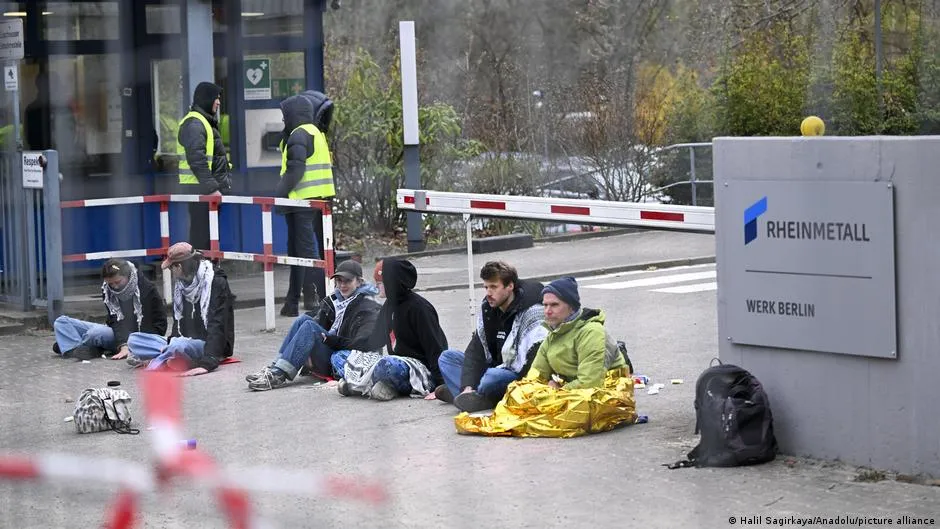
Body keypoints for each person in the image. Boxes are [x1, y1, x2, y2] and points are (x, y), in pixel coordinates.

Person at [454, 277, 637, 438]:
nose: (547, 311)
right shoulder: (552, 334)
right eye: (545, 305)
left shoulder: (591, 332)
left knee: (569, 411)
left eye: (554, 305)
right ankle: (480, 396)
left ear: (571, 306)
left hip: (603, 390)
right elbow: (535, 375)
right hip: (568, 390)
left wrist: (555, 389)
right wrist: (530, 391)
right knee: (519, 393)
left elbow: (590, 382)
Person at [245, 260, 381, 391]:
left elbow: (364, 344)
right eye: (339, 280)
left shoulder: (368, 307)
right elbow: (316, 323)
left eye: (348, 281)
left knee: (310, 326)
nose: (342, 285)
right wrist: (306, 347)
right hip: (334, 351)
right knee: (304, 319)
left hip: (348, 362)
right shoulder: (338, 300)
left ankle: (279, 375)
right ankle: (276, 367)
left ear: (359, 282)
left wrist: (331, 340)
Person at [435, 261, 547, 412]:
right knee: (447, 358)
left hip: (517, 373)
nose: (488, 293)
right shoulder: (488, 309)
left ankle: (475, 396)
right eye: (486, 287)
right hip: (493, 366)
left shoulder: (531, 312)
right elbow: (475, 351)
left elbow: (534, 361)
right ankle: (470, 394)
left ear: (510, 286)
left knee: (492, 377)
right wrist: (467, 386)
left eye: (494, 287)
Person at [332, 258, 448, 401]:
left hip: (417, 368)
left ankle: (360, 385)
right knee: (339, 357)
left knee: (387, 365)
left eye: (379, 283)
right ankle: (380, 385)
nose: (376, 286)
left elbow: (435, 348)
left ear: (391, 282)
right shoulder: (388, 306)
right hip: (395, 361)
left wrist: (440, 386)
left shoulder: (419, 308)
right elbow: (372, 342)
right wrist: (336, 342)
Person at [125, 242, 235, 377]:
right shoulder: (182, 284)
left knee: (178, 345)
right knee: (134, 340)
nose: (171, 272)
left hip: (209, 345)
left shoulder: (216, 282)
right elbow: (178, 322)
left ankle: (169, 356)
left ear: (179, 266)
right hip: (185, 341)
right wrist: (173, 341)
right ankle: (172, 355)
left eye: (172, 268)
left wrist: (208, 362)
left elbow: (218, 323)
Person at [276, 91, 335, 316]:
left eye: (285, 115)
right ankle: (292, 302)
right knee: (301, 254)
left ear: (293, 114)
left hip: (302, 203)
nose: (284, 120)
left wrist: (279, 194)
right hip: (318, 201)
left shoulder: (299, 135)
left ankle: (322, 304)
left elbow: (295, 171)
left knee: (308, 255)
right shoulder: (316, 133)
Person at [52, 259, 167, 361]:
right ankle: (79, 349)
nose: (115, 287)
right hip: (117, 331)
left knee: (95, 333)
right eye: (110, 283)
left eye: (118, 282)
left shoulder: (147, 289)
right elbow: (115, 320)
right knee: (61, 322)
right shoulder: (108, 290)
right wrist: (122, 343)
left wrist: (127, 345)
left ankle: (71, 345)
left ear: (128, 275)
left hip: (137, 336)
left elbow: (160, 325)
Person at [177, 82, 232, 251]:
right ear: (207, 99)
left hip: (203, 188)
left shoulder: (203, 122)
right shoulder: (195, 123)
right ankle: (201, 272)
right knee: (202, 238)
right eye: (216, 98)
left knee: (208, 237)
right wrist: (212, 188)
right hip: (199, 189)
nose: (219, 102)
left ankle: (208, 271)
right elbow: (197, 160)